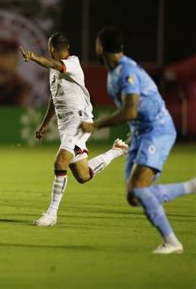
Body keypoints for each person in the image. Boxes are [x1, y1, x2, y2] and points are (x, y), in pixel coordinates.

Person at [79, 27, 196, 254]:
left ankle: (172, 242)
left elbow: (130, 110)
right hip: (142, 132)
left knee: (140, 189)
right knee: (134, 196)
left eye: (96, 44)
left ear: (101, 47)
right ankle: (191, 186)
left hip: (157, 130)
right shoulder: (115, 71)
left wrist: (96, 125)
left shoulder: (125, 71)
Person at [20, 32, 128, 227]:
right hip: (65, 125)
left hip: (79, 121)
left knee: (60, 162)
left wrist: (34, 57)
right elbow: (54, 100)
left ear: (52, 48)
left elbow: (55, 64)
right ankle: (117, 150)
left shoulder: (72, 63)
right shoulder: (54, 71)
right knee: (83, 175)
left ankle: (51, 214)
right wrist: (44, 125)